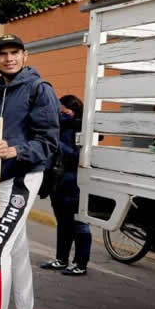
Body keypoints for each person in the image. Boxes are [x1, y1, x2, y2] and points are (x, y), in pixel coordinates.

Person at [0, 33, 59, 309]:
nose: (9, 58)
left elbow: (48, 143)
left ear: (26, 55)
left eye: (15, 52)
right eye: (3, 53)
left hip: (22, 178)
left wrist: (15, 151)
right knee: (17, 251)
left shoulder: (40, 90)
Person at [41, 95, 90, 276]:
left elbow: (78, 156)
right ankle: (61, 259)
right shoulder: (59, 127)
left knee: (80, 225)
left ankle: (80, 263)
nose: (60, 113)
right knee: (63, 224)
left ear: (73, 110)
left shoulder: (81, 128)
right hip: (58, 183)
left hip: (76, 184)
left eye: (64, 110)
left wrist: (57, 144)